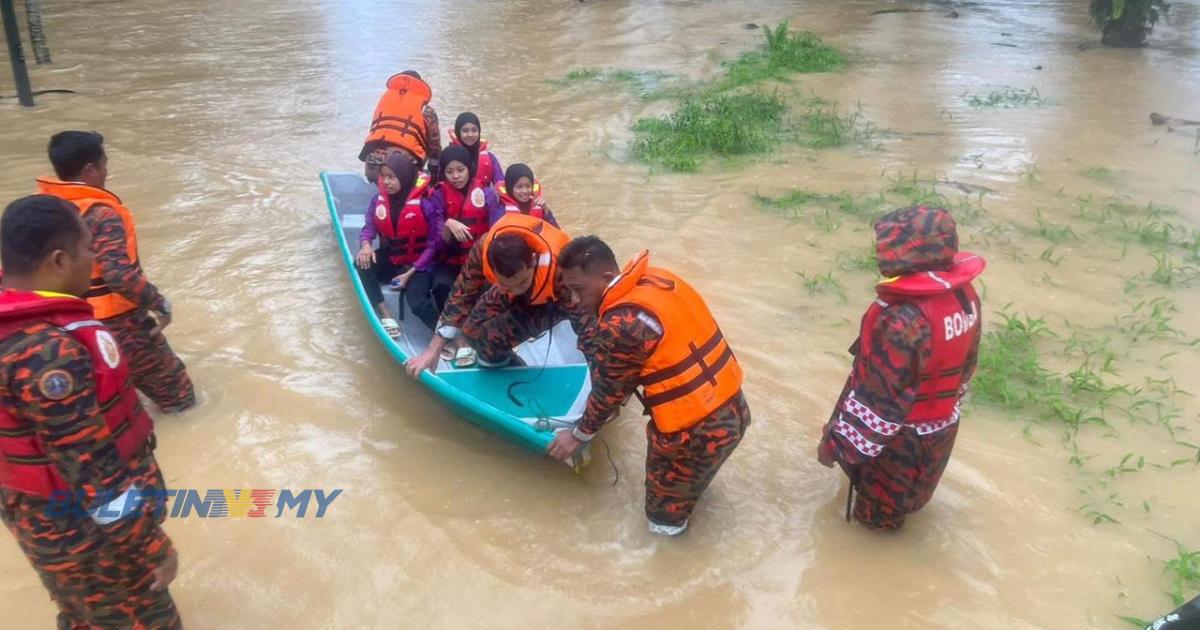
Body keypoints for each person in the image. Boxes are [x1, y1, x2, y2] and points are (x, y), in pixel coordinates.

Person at [0, 195, 181, 629]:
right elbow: (95, 477)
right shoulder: (48, 353)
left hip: (44, 527)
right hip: (89, 537)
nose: (95, 258)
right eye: (88, 249)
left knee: (83, 615)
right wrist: (153, 546)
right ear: (59, 260)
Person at [548, 237, 750, 536]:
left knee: (662, 522)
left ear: (606, 278)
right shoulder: (658, 279)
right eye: (569, 291)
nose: (575, 301)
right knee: (690, 486)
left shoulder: (620, 322)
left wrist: (577, 436)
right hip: (734, 411)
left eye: (579, 289)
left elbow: (608, 392)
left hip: (692, 435)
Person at [816, 206, 985, 531]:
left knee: (876, 523)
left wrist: (835, 446)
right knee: (907, 502)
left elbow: (879, 408)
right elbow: (967, 366)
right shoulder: (964, 295)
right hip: (941, 427)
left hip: (899, 443)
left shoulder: (901, 320)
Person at [36, 131, 196, 414]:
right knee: (180, 399)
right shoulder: (102, 214)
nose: (106, 170)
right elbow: (119, 275)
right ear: (90, 169)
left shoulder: (46, 209)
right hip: (119, 325)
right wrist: (159, 303)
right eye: (104, 163)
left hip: (68, 324)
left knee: (107, 402)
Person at [405, 212, 571, 376]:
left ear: (534, 260)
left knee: (490, 341)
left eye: (520, 282)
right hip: (505, 290)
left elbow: (588, 317)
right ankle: (508, 363)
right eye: (506, 283)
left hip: (552, 301)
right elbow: (461, 294)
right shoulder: (483, 249)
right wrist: (433, 349)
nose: (515, 291)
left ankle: (515, 372)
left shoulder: (563, 271)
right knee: (470, 330)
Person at [354, 152, 439, 336]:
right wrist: (366, 244)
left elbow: (434, 243)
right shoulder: (378, 201)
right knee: (360, 264)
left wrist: (411, 272)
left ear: (404, 176)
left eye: (392, 177)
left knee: (417, 303)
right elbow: (369, 226)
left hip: (420, 264)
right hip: (393, 257)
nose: (386, 182)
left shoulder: (426, 204)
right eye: (383, 177)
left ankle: (450, 339)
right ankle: (385, 313)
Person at [426, 145, 505, 278]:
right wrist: (448, 225)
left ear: (469, 169)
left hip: (481, 259)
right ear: (443, 173)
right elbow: (437, 245)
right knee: (442, 288)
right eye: (449, 172)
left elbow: (497, 233)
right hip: (450, 261)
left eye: (461, 170)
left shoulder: (487, 193)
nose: (456, 176)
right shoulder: (437, 196)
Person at [359, 71, 441, 183]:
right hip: (401, 169)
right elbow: (434, 148)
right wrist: (435, 178)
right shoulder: (427, 110)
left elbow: (374, 132)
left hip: (372, 165)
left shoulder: (384, 100)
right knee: (423, 146)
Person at [448, 112, 503, 188]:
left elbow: (500, 184)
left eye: (474, 130)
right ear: (458, 133)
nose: (470, 135)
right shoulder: (447, 157)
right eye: (465, 131)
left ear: (479, 132)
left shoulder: (490, 158)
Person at [496, 163, 559, 228]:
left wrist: (546, 210)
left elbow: (556, 230)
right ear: (510, 188)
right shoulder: (501, 211)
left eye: (528, 186)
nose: (525, 191)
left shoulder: (540, 205)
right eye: (519, 187)